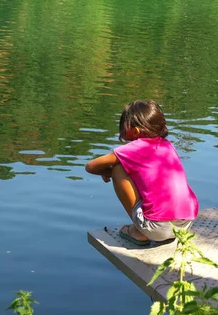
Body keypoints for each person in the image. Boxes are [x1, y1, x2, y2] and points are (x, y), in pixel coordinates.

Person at [85, 100, 199, 246]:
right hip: (185, 224)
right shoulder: (167, 146)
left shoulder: (134, 148)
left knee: (118, 168)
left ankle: (138, 232)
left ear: (136, 131)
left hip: (157, 229)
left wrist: (111, 171)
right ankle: (156, 228)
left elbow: (90, 166)